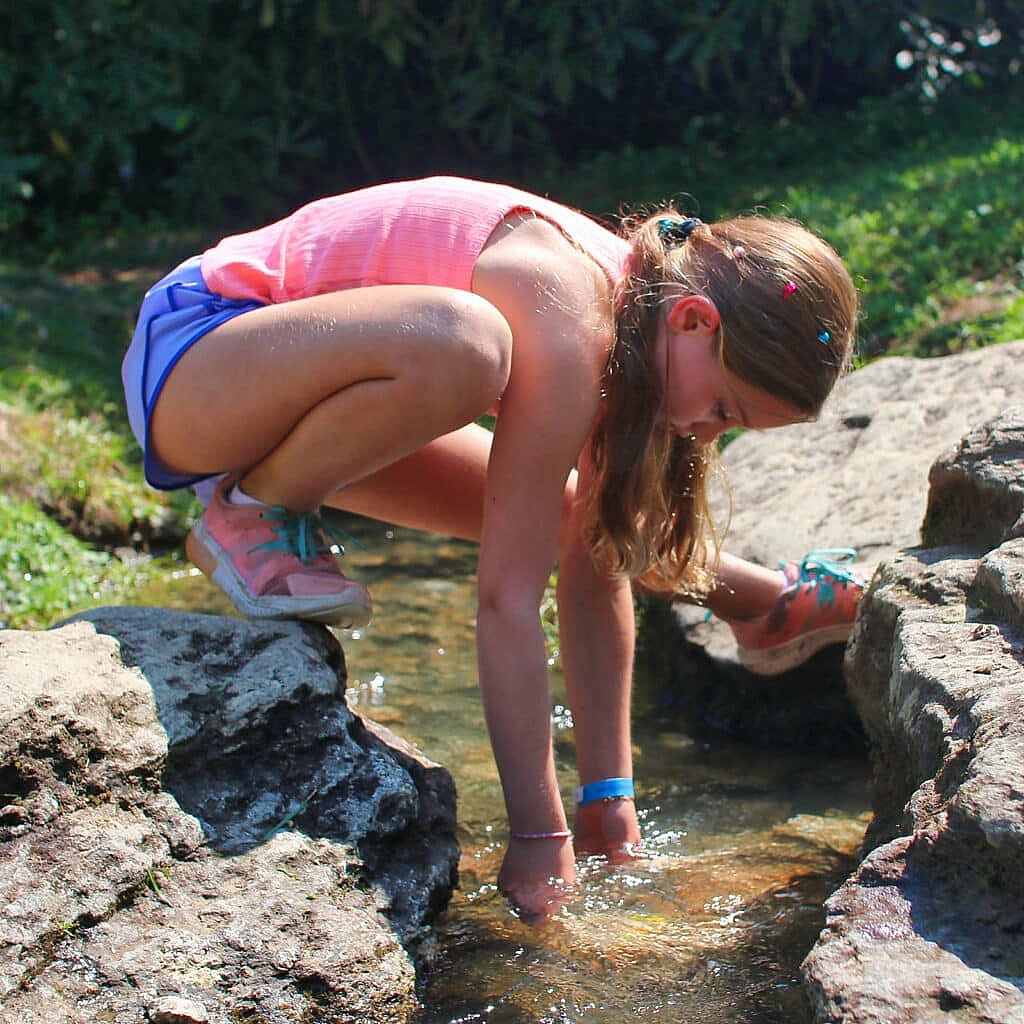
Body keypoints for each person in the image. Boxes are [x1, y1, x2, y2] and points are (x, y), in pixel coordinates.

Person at [122, 176, 863, 918]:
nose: (707, 433)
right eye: (724, 410)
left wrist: (609, 800)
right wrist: (538, 833)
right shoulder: (572, 314)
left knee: (578, 514)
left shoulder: (639, 331)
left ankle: (763, 604)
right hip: (197, 358)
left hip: (283, 402)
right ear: (697, 321)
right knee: (464, 342)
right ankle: (250, 513)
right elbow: (508, 597)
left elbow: (593, 556)